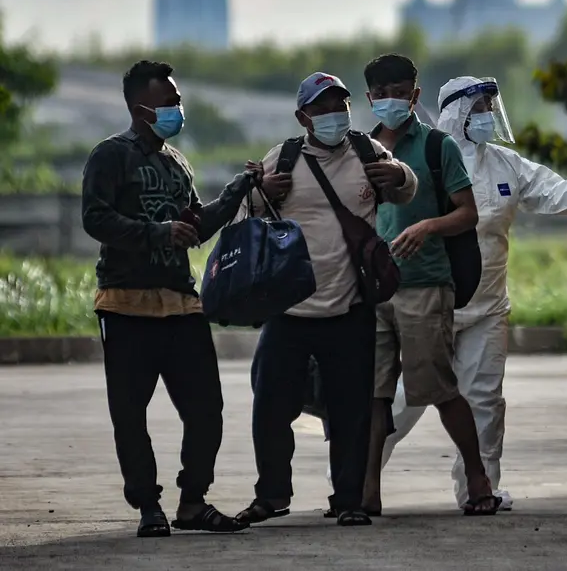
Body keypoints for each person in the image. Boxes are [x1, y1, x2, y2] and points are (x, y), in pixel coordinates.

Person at [376, 75, 567, 511]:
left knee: (485, 401)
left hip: (488, 308)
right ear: (456, 114)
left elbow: (554, 194)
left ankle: (480, 490)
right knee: (404, 401)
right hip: (430, 305)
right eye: (478, 108)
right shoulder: (427, 162)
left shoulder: (505, 165)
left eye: (488, 108)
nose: (486, 116)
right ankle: (354, 478)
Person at [236, 71, 417, 528]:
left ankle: (349, 499)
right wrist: (262, 194)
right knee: (271, 406)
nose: (335, 114)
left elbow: (404, 186)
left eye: (341, 105)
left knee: (351, 410)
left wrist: (399, 173)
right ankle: (272, 495)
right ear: (303, 116)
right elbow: (249, 214)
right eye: (322, 108)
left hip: (350, 307)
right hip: (290, 308)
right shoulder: (285, 157)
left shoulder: (366, 151)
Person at [81, 60, 254, 537]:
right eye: (169, 102)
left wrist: (239, 191)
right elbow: (95, 218)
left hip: (181, 304)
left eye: (178, 100)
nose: (179, 108)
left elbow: (195, 226)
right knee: (130, 414)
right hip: (126, 304)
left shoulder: (177, 163)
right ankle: (148, 507)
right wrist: (156, 232)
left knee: (206, 409)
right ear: (141, 108)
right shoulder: (110, 156)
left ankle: (193, 501)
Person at [358, 54, 499, 516]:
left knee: (438, 388)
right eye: (382, 94)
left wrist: (428, 228)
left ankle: (477, 479)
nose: (391, 101)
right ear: (369, 98)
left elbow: (468, 213)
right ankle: (366, 492)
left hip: (425, 285)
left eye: (401, 92)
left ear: (415, 96)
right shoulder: (357, 150)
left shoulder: (438, 146)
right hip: (371, 289)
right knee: (374, 395)